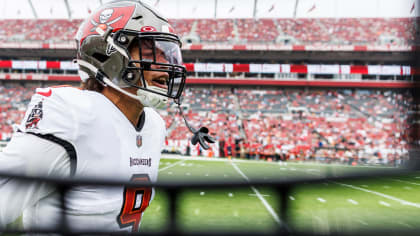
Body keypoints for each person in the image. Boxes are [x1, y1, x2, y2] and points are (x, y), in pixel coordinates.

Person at [0, 0, 186, 233]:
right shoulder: (71, 114)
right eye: (151, 50)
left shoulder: (153, 125)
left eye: (168, 53)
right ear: (109, 55)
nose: (167, 63)